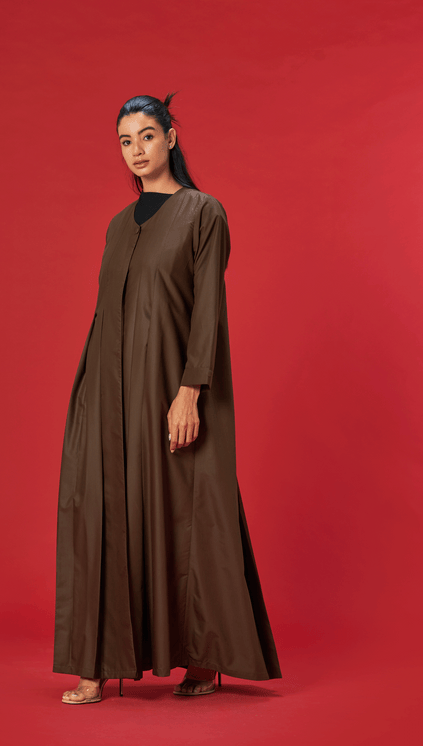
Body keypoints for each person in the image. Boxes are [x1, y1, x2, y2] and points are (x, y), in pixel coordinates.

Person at [53, 92, 282, 704]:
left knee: (188, 510)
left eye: (147, 136)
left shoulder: (204, 213)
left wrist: (190, 392)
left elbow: (208, 308)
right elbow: (107, 314)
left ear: (171, 137)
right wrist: (88, 398)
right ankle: (97, 663)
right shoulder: (117, 225)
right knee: (104, 511)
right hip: (109, 392)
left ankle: (202, 657)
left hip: (172, 388)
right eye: (125, 141)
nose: (136, 150)